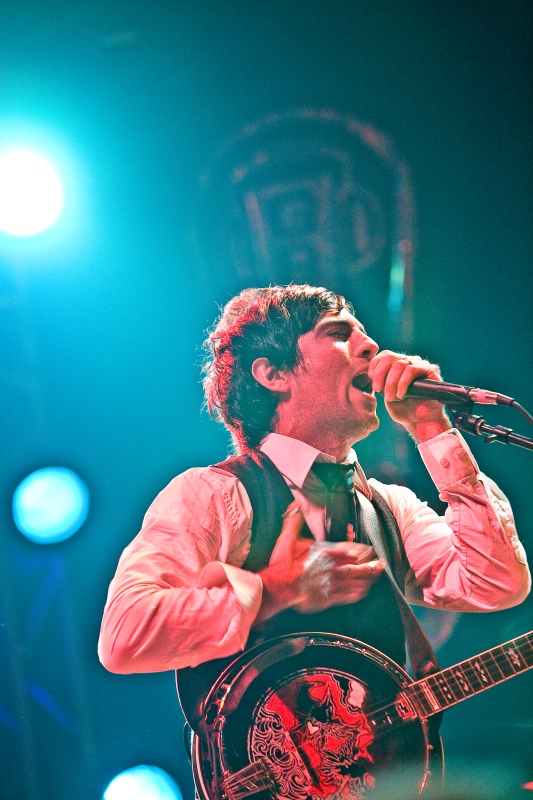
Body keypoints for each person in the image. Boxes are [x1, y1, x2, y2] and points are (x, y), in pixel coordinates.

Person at [98, 285, 529, 793]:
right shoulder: (215, 494)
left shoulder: (388, 507)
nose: (371, 346)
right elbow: (123, 635)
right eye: (340, 333)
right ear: (273, 374)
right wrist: (272, 591)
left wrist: (432, 428)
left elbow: (497, 582)